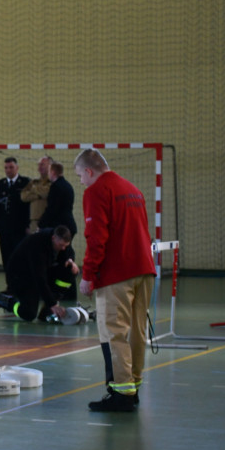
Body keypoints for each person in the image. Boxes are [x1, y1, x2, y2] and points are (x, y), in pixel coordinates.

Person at [74, 148, 156, 413]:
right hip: (144, 269)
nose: (81, 182)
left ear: (89, 170)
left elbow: (96, 238)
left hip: (117, 274)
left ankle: (121, 392)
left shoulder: (96, 192)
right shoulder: (132, 189)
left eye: (80, 176)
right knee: (137, 331)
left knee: (114, 333)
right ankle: (132, 387)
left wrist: (87, 276)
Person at [0, 226, 78, 322]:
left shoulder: (60, 241)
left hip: (37, 273)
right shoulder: (38, 245)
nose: (63, 248)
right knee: (28, 313)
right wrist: (53, 304)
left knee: (70, 270)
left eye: (65, 246)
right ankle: (0, 299)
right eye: (61, 245)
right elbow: (40, 278)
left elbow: (69, 251)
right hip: (20, 277)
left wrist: (70, 260)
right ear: (53, 238)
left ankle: (46, 311)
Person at [0, 157, 31, 270]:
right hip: (4, 228)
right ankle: (9, 285)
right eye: (6, 168)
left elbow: (30, 206)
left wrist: (28, 225)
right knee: (6, 257)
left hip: (20, 228)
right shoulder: (0, 184)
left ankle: (21, 286)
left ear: (17, 168)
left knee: (20, 257)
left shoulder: (25, 182)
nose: (8, 170)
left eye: (11, 167)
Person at [39, 161, 77, 238]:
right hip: (69, 224)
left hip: (60, 228)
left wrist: (41, 224)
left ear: (52, 172)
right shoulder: (68, 185)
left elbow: (52, 209)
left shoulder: (55, 187)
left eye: (49, 171)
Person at [19, 155, 52, 234]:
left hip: (47, 219)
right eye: (39, 164)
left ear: (50, 166)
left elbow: (46, 193)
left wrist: (33, 190)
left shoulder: (52, 181)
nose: (40, 167)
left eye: (42, 164)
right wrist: (38, 195)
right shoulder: (34, 182)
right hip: (34, 220)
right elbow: (23, 196)